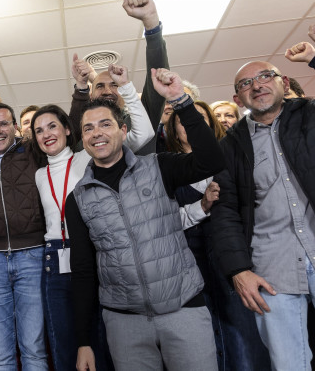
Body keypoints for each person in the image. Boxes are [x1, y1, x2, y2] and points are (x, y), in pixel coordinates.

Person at [69, 68, 225, 371]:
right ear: (83, 138)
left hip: (183, 309)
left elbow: (212, 161)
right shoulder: (78, 199)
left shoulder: (159, 166)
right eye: (88, 128)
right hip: (124, 324)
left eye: (105, 124)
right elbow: (84, 272)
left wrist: (181, 100)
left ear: (123, 130)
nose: (96, 132)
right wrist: (84, 340)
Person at [30, 65, 152, 371]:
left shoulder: (88, 155)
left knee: (103, 339)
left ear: (68, 129)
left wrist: (119, 87)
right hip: (53, 260)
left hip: (95, 252)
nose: (47, 134)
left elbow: (145, 134)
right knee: (63, 342)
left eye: (52, 126)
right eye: (39, 130)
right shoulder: (39, 174)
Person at [211, 39, 315, 370]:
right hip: (271, 266)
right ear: (237, 98)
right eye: (246, 83)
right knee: (288, 363)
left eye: (265, 76)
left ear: (283, 83)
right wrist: (238, 270)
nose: (257, 85)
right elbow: (224, 212)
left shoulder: (310, 116)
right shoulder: (229, 147)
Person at [165, 102, 270, 370]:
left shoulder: (231, 158)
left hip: (232, 254)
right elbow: (162, 223)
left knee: (242, 326)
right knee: (206, 332)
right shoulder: (166, 169)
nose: (191, 123)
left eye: (200, 118)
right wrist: (200, 207)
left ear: (209, 125)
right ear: (174, 131)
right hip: (189, 260)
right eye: (184, 120)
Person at [0, 101, 48, 370]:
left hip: (33, 256)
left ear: (16, 126)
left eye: (4, 123)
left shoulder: (36, 155)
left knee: (34, 349)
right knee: (0, 353)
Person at [69, 0, 167, 155]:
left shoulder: (140, 119)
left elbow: (157, 76)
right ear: (91, 95)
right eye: (100, 86)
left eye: (114, 85)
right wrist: (81, 86)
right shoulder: (85, 137)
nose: (107, 90)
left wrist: (151, 24)